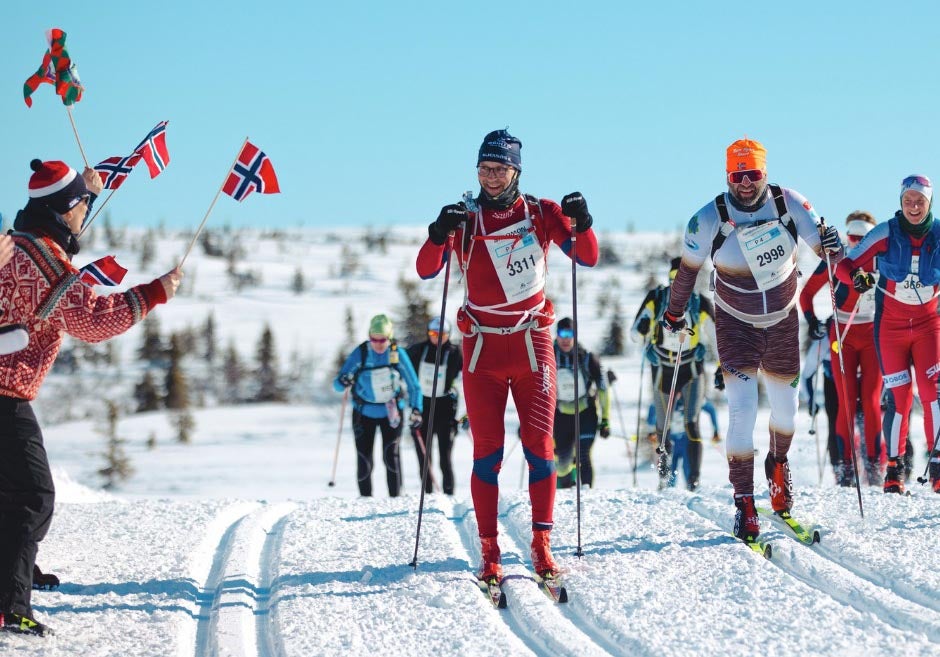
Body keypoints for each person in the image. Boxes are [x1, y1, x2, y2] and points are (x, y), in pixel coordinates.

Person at [0, 159, 182, 637]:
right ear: (63, 209)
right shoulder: (43, 261)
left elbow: (71, 214)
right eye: (81, 206)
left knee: (8, 492)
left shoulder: (22, 245)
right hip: (3, 394)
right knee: (32, 497)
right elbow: (95, 321)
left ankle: (13, 576)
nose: (86, 214)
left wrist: (90, 189)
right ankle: (9, 604)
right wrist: (154, 293)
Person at [415, 129, 598, 582]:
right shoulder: (466, 218)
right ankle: (489, 550)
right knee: (486, 456)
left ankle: (541, 545)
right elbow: (425, 269)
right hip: (481, 351)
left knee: (542, 448)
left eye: (500, 169)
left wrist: (584, 221)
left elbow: (587, 257)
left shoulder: (541, 212)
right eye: (484, 169)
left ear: (516, 170)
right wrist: (439, 233)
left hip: (532, 344)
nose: (491, 178)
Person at [662, 138, 842, 542]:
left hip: (782, 322)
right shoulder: (708, 218)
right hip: (735, 323)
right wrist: (674, 312)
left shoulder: (788, 202)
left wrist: (836, 248)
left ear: (765, 173)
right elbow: (687, 273)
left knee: (786, 413)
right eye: (736, 175)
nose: (745, 183)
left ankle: (778, 468)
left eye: (753, 174)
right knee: (742, 411)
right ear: (727, 176)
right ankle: (744, 503)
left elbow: (825, 249)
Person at [835, 175, 940, 494]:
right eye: (908, 200)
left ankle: (937, 467)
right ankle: (894, 470)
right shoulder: (886, 232)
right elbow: (844, 265)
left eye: (919, 201)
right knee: (900, 398)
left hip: (928, 326)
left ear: (929, 201)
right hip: (891, 327)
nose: (913, 207)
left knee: (933, 394)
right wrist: (857, 279)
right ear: (900, 202)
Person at [800, 212, 883, 486]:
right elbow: (806, 293)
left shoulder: (882, 258)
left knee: (871, 403)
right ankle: (845, 469)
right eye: (852, 237)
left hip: (872, 335)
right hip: (842, 334)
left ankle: (874, 467)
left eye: (863, 238)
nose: (856, 242)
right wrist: (812, 321)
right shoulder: (835, 259)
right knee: (845, 404)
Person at [632, 257, 715, 490]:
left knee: (691, 422)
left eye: (683, 281)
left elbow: (718, 339)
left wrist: (721, 366)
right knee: (663, 426)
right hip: (662, 368)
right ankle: (664, 478)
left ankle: (693, 481)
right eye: (673, 280)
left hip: (690, 368)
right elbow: (634, 332)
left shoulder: (700, 303)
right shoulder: (657, 298)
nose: (677, 286)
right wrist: (642, 333)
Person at [333, 314, 423, 498]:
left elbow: (414, 385)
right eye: (374, 339)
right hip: (363, 413)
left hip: (392, 413)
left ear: (389, 338)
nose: (378, 344)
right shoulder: (362, 353)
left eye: (383, 340)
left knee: (391, 456)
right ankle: (365, 500)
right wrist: (344, 380)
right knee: (365, 459)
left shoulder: (397, 355)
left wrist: (416, 409)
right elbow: (337, 384)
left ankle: (396, 500)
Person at [405, 316, 463, 495]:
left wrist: (461, 415)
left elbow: (464, 381)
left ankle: (449, 494)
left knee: (445, 458)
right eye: (433, 333)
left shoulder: (455, 353)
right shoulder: (418, 350)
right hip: (423, 406)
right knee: (424, 458)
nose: (437, 338)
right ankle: (427, 494)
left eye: (442, 334)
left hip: (445, 407)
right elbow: (403, 369)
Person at [552, 317, 610, 489]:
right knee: (562, 463)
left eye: (569, 334)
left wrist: (605, 419)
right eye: (562, 334)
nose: (565, 339)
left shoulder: (587, 358)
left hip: (585, 413)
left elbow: (603, 389)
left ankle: (586, 495)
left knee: (583, 455)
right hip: (560, 416)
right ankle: (564, 496)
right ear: (557, 335)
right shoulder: (548, 356)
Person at [800, 321, 841, 483]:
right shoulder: (823, 340)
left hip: (860, 382)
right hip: (833, 384)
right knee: (834, 424)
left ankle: (870, 466)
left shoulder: (864, 327)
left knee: (863, 421)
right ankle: (839, 468)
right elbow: (806, 375)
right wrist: (811, 400)